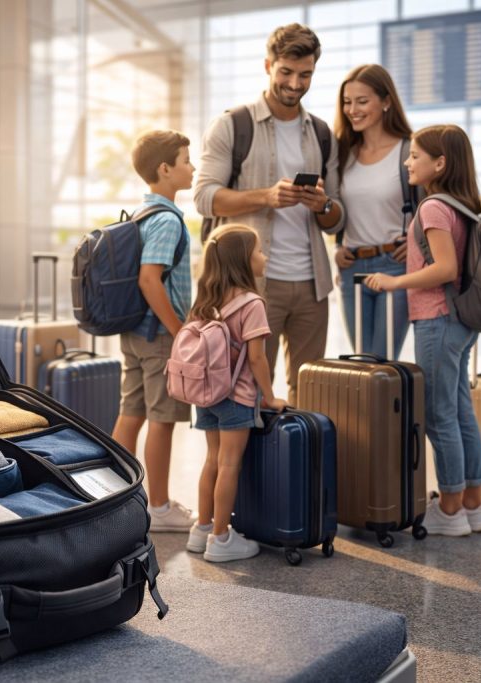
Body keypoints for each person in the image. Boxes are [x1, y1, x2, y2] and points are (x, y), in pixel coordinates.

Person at [195, 23, 345, 406]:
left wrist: (323, 205)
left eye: (306, 74)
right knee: (246, 395)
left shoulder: (323, 134)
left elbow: (337, 218)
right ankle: (247, 470)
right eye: (286, 72)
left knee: (313, 394)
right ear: (268, 66)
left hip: (312, 285)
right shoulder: (233, 125)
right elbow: (204, 197)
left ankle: (296, 465)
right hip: (251, 285)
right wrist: (266, 196)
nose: (296, 83)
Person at [363, 124, 481, 537]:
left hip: (436, 318)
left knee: (438, 416)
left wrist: (394, 281)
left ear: (440, 163)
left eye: (415, 155)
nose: (407, 161)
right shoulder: (462, 205)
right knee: (461, 412)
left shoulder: (434, 207)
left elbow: (444, 268)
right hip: (460, 321)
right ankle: (473, 503)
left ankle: (450, 509)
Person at [183, 224, 288, 562]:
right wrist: (270, 396)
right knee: (230, 464)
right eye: (259, 251)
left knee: (212, 460)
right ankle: (222, 538)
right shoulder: (251, 303)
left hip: (206, 395)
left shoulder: (207, 299)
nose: (264, 256)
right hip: (236, 396)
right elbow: (256, 357)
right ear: (243, 260)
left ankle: (202, 528)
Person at [112, 129, 196, 532]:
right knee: (163, 418)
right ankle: (159, 507)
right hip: (158, 335)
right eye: (185, 161)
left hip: (134, 333)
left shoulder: (142, 214)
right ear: (165, 169)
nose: (192, 167)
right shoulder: (166, 220)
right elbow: (150, 280)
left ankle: (116, 495)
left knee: (132, 413)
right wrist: (180, 331)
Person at [332, 64, 418, 359]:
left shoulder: (408, 151)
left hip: (394, 265)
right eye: (347, 101)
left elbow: (433, 209)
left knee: (381, 364)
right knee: (360, 363)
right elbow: (339, 209)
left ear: (386, 102)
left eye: (362, 101)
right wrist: (337, 247)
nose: (352, 109)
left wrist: (418, 242)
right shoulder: (342, 153)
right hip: (351, 267)